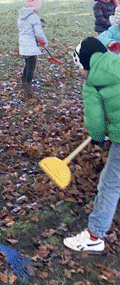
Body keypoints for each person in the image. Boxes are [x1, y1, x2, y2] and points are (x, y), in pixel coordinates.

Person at [64, 37, 120, 252]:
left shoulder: (92, 83)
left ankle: (94, 236)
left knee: (110, 184)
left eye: (79, 68)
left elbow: (95, 121)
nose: (80, 72)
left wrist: (98, 137)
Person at [17, 0, 48, 96]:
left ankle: (23, 81)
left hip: (23, 45)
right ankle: (28, 87)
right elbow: (38, 33)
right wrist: (45, 42)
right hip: (30, 46)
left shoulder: (22, 15)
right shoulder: (34, 17)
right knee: (31, 66)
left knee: (27, 63)